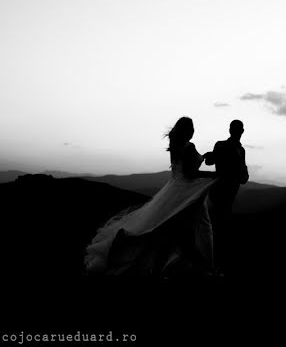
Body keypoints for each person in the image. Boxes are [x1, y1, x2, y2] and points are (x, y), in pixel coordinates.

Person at [84, 117, 220, 276]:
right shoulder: (188, 147)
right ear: (188, 131)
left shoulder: (176, 145)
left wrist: (203, 157)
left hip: (174, 189)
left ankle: (187, 267)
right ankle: (205, 267)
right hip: (185, 193)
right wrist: (214, 174)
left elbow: (185, 168)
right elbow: (190, 174)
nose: (192, 132)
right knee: (195, 229)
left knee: (169, 230)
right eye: (191, 129)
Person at [203, 120, 249, 271]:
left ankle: (215, 262)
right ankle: (213, 263)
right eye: (236, 129)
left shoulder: (240, 150)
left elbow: (243, 177)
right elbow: (210, 161)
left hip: (229, 192)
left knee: (219, 226)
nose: (237, 132)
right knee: (217, 225)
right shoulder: (222, 146)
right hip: (219, 191)